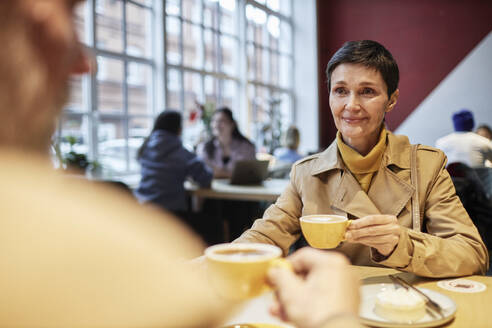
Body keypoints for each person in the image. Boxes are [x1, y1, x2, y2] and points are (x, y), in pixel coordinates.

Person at [234, 40, 488, 278]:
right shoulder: (306, 174)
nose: (351, 105)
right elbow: (265, 236)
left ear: (392, 100)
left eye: (367, 91)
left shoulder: (425, 166)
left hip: (405, 311)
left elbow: (472, 254)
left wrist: (401, 244)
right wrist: (218, 260)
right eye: (341, 91)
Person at [135, 110, 213, 219]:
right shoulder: (180, 151)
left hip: (141, 208)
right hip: (170, 215)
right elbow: (206, 178)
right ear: (179, 129)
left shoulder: (145, 147)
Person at [196, 107, 256, 178]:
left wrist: (220, 173)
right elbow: (202, 172)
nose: (217, 125)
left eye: (222, 121)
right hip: (211, 188)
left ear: (232, 124)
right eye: (214, 121)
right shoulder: (203, 148)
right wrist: (231, 174)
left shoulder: (246, 147)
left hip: (240, 188)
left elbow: (251, 173)